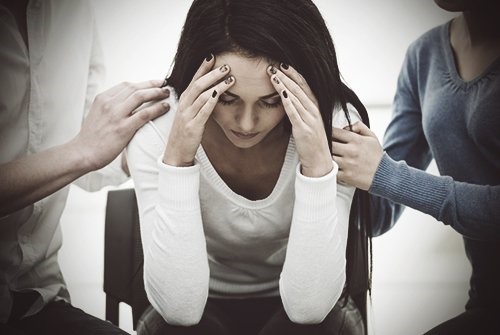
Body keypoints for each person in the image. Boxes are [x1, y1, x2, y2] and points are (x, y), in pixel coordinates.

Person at [126, 0, 375, 334]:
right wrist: (177, 160)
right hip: (195, 311)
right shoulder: (157, 127)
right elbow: (179, 308)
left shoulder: (335, 127)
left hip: (304, 312)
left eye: (272, 101)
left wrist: (316, 164)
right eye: (226, 99)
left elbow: (310, 308)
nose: (246, 123)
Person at [0, 0, 170, 334]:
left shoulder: (75, 11)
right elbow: (81, 150)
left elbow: (86, 151)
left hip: (39, 300)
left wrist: (154, 150)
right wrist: (81, 151)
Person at [331, 0, 500, 333]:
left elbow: (385, 175)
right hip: (487, 300)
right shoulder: (424, 56)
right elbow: (378, 210)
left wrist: (384, 174)